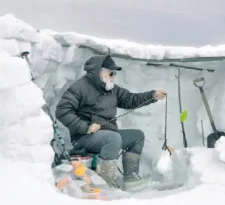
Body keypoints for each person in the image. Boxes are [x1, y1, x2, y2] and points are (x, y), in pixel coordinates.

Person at [56, 54, 167, 191]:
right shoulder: (80, 87)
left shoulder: (112, 89)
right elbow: (62, 110)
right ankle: (106, 182)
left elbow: (130, 99)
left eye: (114, 74)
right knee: (113, 138)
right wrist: (85, 127)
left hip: (107, 135)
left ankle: (131, 178)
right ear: (99, 72)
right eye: (111, 73)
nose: (113, 76)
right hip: (83, 137)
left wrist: (152, 95)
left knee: (137, 136)